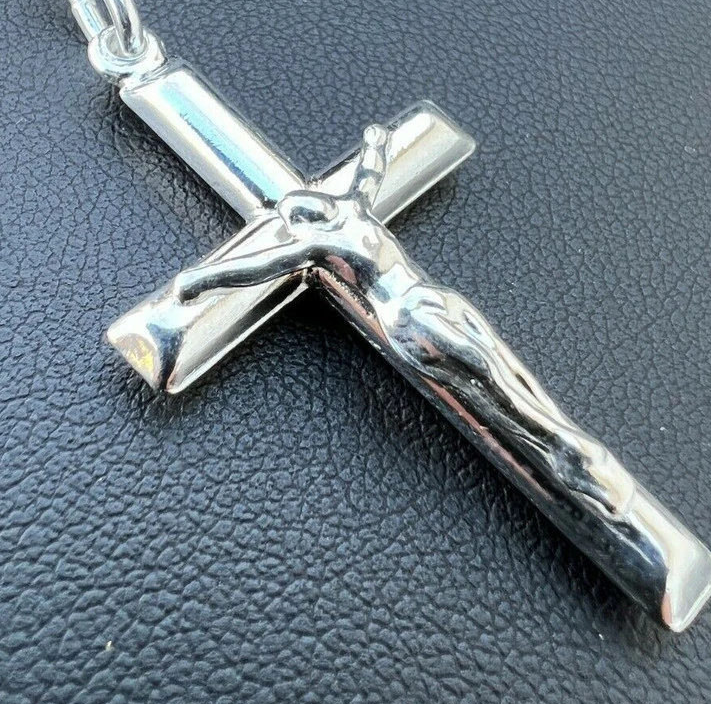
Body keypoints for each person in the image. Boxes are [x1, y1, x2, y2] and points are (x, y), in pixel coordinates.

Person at [172, 125, 636, 519]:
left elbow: (370, 172)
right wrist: (200, 280)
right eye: (302, 211)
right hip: (410, 322)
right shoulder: (313, 247)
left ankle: (570, 444)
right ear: (303, 221)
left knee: (513, 373)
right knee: (492, 387)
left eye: (305, 203)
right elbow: (256, 267)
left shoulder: (352, 209)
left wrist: (376, 141)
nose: (309, 206)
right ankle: (564, 459)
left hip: (436, 299)